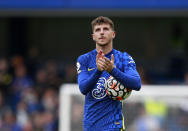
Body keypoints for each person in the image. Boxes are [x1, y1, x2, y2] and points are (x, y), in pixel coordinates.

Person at [76, 16, 141, 131]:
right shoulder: (84, 59)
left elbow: (136, 84)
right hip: (91, 126)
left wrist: (113, 70)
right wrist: (98, 70)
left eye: (105, 29)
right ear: (93, 37)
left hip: (114, 125)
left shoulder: (123, 58)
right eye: (97, 30)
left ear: (113, 34)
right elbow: (83, 88)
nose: (101, 32)